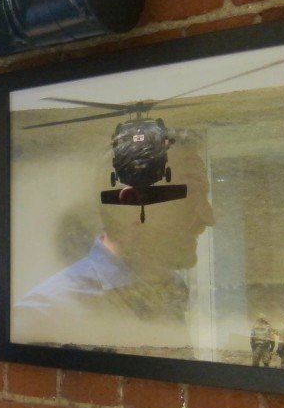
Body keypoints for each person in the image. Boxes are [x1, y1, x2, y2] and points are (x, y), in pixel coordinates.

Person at [13, 141, 215, 354]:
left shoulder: (171, 289)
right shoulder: (43, 317)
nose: (209, 218)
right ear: (132, 206)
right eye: (189, 198)